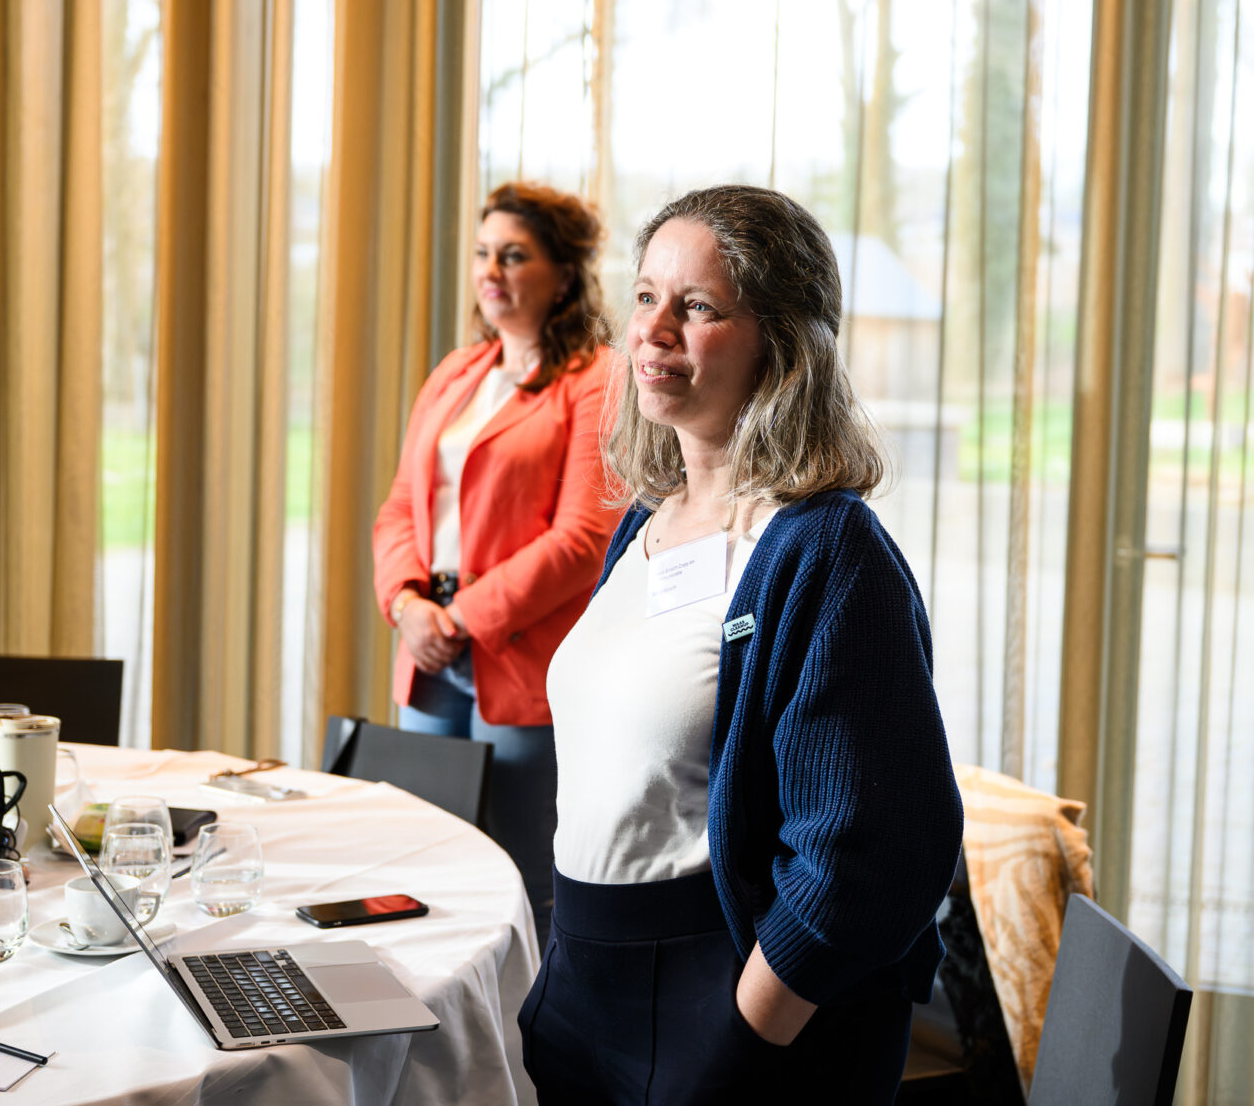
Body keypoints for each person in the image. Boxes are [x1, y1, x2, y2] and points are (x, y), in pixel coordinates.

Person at [521, 185, 963, 1102]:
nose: (653, 331)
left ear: (782, 344)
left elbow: (876, 853)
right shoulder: (647, 523)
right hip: (584, 982)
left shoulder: (825, 550)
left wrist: (745, 1034)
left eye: (698, 307)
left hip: (720, 1006)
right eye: (646, 297)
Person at [372, 180, 619, 941]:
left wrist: (462, 618)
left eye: (514, 256)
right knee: (418, 872)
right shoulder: (457, 373)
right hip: (428, 649)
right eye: (484, 253)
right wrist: (408, 607)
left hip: (520, 655)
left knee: (521, 882)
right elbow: (400, 506)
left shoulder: (597, 379)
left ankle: (525, 1022)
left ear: (564, 274)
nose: (491, 271)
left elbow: (583, 540)